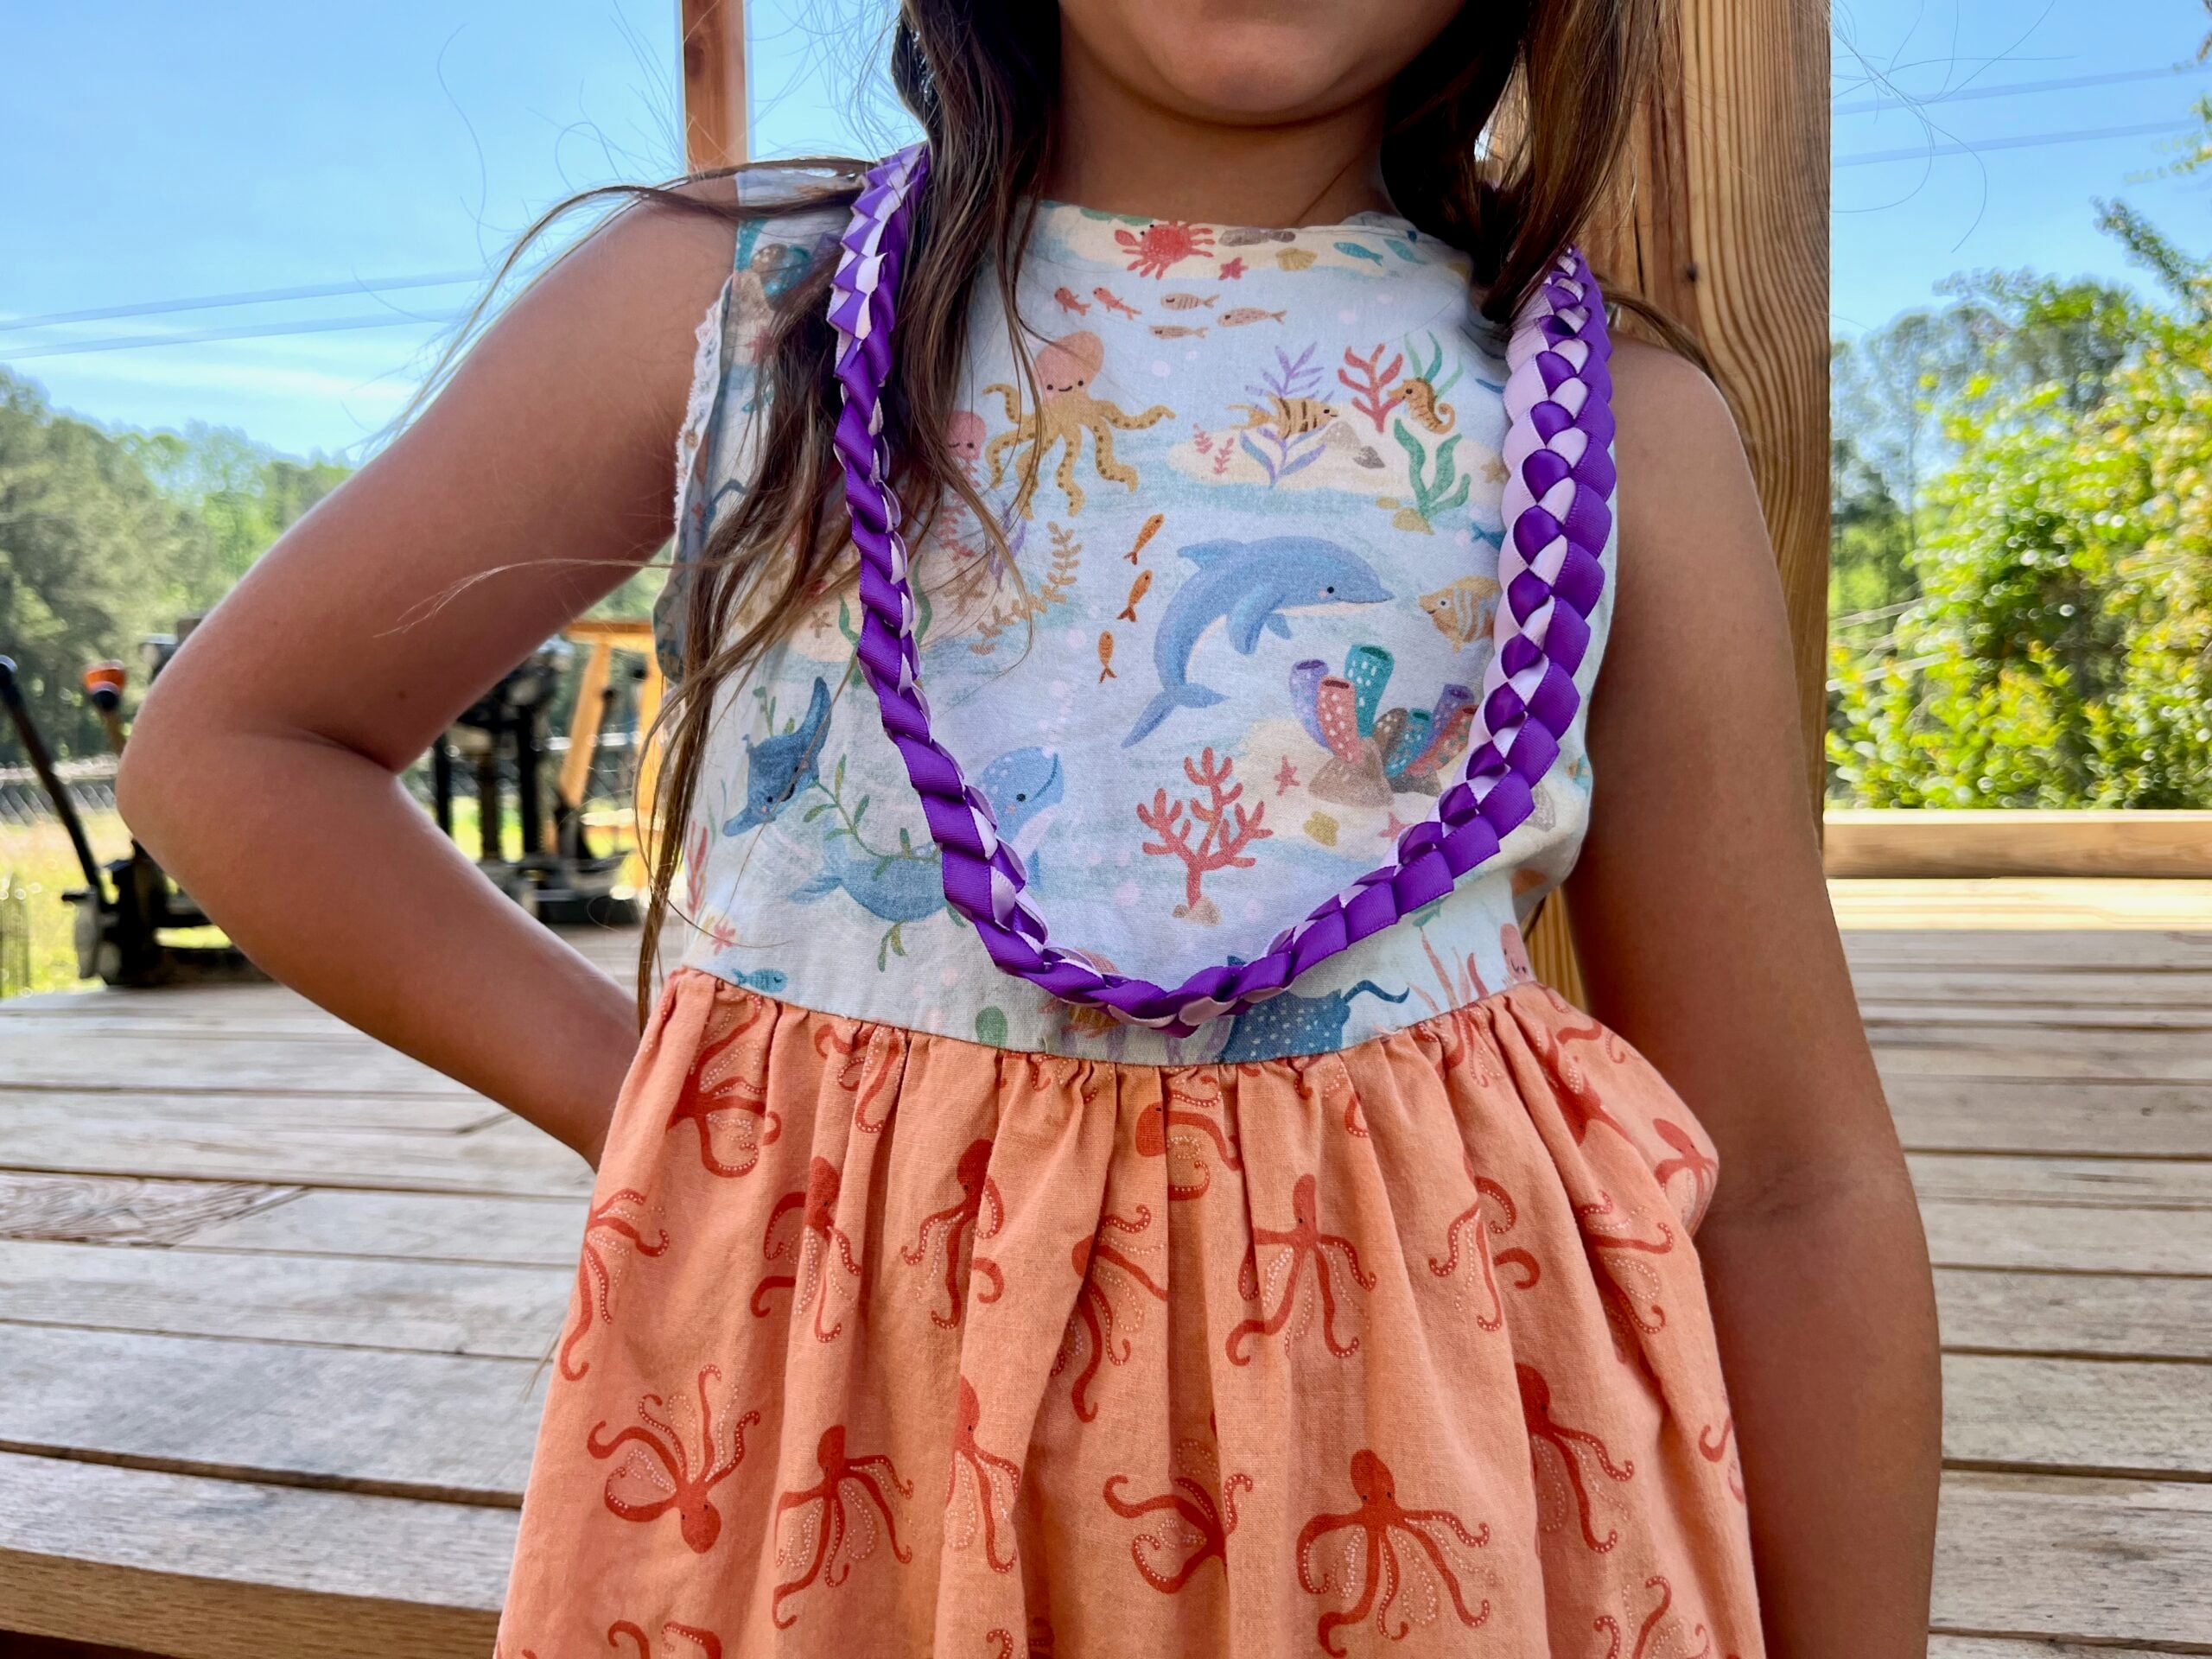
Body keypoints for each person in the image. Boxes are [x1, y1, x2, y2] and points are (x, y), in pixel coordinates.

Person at [118, 2, 1942, 1653]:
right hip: (844, 1450)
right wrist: (700, 1141)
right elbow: (242, 747)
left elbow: (1788, 1177)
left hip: (1430, 1485)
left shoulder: (1611, 419)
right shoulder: (734, 304)